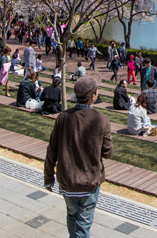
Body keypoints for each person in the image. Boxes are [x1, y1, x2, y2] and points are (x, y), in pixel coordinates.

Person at [44, 76, 113, 238]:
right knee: (83, 225)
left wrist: (48, 177)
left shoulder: (63, 117)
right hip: (89, 182)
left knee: (72, 214)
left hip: (67, 181)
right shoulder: (101, 120)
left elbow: (51, 151)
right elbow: (108, 153)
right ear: (93, 96)